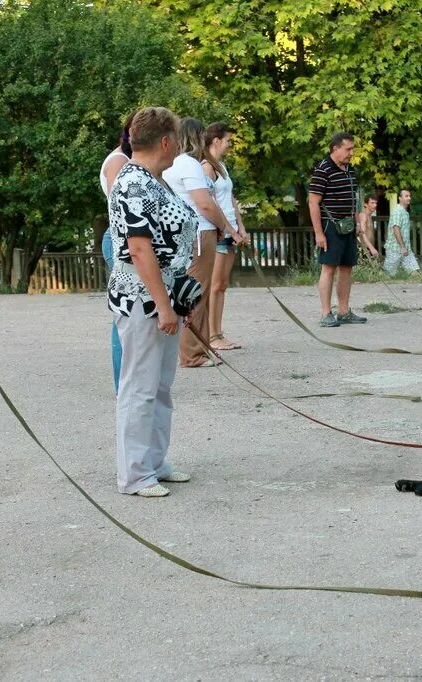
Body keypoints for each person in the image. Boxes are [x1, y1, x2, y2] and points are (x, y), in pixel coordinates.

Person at [107, 107, 196, 497]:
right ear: (164, 141)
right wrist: (163, 305)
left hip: (165, 296)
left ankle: (155, 462)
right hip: (142, 299)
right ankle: (134, 474)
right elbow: (139, 249)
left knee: (159, 385)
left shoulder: (154, 180)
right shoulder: (133, 183)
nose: (177, 145)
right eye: (175, 138)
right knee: (139, 386)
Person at [162, 118, 233, 367]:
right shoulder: (190, 165)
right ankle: (193, 354)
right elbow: (204, 203)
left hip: (183, 233)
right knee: (197, 294)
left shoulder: (171, 165)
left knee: (189, 291)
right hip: (200, 233)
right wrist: (224, 227)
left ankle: (198, 348)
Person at [308, 132, 368, 328]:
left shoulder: (350, 170)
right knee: (328, 268)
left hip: (348, 226)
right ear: (335, 148)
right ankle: (326, 313)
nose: (351, 153)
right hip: (330, 226)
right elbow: (313, 203)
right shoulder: (322, 169)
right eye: (348, 149)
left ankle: (343, 311)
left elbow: (355, 199)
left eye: (352, 149)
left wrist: (358, 222)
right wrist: (318, 233)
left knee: (347, 267)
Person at [201, 122, 249, 351]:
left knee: (222, 284)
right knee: (215, 284)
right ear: (216, 140)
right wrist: (229, 229)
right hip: (219, 232)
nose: (230, 144)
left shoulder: (221, 166)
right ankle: (211, 335)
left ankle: (218, 332)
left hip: (231, 232)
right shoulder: (206, 167)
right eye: (228, 140)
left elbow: (230, 200)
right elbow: (209, 203)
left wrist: (241, 227)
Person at [99, 110, 137, 394]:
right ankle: (121, 382)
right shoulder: (118, 161)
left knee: (133, 310)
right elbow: (120, 206)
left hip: (125, 239)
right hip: (120, 239)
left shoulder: (128, 160)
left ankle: (130, 379)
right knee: (126, 310)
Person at [383, 189, 420, 275]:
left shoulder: (405, 213)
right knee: (388, 275)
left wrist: (405, 247)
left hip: (406, 250)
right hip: (394, 249)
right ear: (400, 198)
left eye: (409, 196)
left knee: (415, 273)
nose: (409, 198)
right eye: (406, 196)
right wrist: (402, 246)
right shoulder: (397, 211)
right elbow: (396, 229)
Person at [356, 195, 380, 260]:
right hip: (364, 249)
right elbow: (362, 233)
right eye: (372, 203)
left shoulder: (369, 216)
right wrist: (371, 248)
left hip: (368, 248)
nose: (375, 205)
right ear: (365, 204)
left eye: (376, 203)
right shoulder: (363, 215)